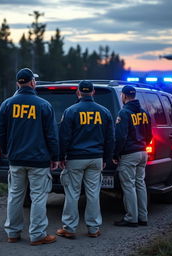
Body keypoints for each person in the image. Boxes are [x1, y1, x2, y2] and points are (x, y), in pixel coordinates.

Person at [0, 68, 59, 245]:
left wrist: (7, 150)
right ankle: (37, 235)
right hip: (39, 160)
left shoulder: (7, 104)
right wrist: (55, 157)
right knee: (38, 196)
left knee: (15, 195)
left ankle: (13, 233)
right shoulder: (43, 105)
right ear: (32, 82)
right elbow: (51, 135)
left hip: (16, 159)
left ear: (18, 83)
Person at [56, 80, 115, 238]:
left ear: (78, 92)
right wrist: (106, 158)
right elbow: (110, 139)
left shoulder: (70, 111)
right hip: (96, 158)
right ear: (93, 92)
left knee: (72, 193)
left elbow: (64, 137)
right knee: (93, 193)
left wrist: (61, 157)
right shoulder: (105, 112)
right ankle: (93, 228)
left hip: (75, 158)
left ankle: (69, 228)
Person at [113, 85, 152, 227]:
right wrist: (142, 145)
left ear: (123, 96)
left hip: (129, 154)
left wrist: (116, 154)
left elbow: (120, 137)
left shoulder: (124, 113)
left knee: (128, 186)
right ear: (134, 95)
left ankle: (131, 218)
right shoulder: (144, 112)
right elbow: (149, 136)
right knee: (140, 184)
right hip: (142, 152)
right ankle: (143, 217)